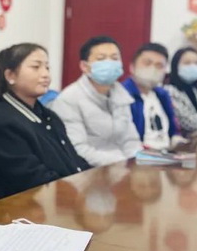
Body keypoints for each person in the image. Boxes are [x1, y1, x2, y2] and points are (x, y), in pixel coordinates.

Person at [0, 43, 88, 199]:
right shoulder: (1, 123)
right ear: (10, 76)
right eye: (36, 67)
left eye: (47, 67)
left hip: (64, 197)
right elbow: (32, 181)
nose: (45, 74)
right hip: (30, 205)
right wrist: (79, 190)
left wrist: (92, 180)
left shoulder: (49, 116)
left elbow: (74, 160)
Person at [49, 36, 142, 166]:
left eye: (114, 58)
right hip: (89, 170)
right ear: (84, 66)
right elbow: (78, 149)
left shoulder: (122, 94)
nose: (109, 63)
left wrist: (138, 163)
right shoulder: (69, 99)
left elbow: (130, 141)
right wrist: (122, 163)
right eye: (101, 59)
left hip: (124, 167)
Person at [120, 42, 180, 150]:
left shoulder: (163, 95)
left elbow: (173, 131)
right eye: (147, 63)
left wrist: (177, 140)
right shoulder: (122, 95)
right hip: (137, 156)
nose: (153, 69)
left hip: (166, 153)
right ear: (132, 67)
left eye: (159, 66)